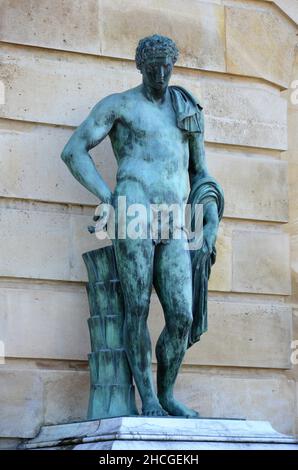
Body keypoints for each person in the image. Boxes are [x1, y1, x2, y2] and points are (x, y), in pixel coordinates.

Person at [61, 35, 222, 418]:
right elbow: (73, 150)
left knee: (181, 315)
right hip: (134, 209)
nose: (162, 74)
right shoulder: (120, 105)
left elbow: (200, 172)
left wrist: (210, 213)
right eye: (154, 67)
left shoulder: (186, 109)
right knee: (136, 307)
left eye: (168, 66)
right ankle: (147, 398)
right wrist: (107, 196)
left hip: (177, 219)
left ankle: (167, 394)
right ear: (140, 66)